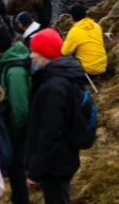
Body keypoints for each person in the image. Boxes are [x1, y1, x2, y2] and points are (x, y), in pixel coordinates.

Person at [26, 30, 87, 204]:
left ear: (44, 52)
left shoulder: (54, 87)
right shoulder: (63, 77)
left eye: (34, 51)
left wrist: (36, 170)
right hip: (62, 157)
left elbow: (50, 132)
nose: (31, 56)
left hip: (55, 162)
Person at [0, 26, 31, 204]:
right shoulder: (9, 62)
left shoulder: (14, 71)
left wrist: (13, 131)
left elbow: (20, 109)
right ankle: (17, 197)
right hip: (16, 128)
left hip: (18, 129)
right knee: (15, 168)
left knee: (16, 168)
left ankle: (21, 200)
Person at [61, 4, 108, 76]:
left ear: (72, 17)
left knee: (65, 57)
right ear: (85, 14)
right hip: (102, 67)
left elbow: (65, 52)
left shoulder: (74, 31)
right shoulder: (96, 26)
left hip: (88, 71)